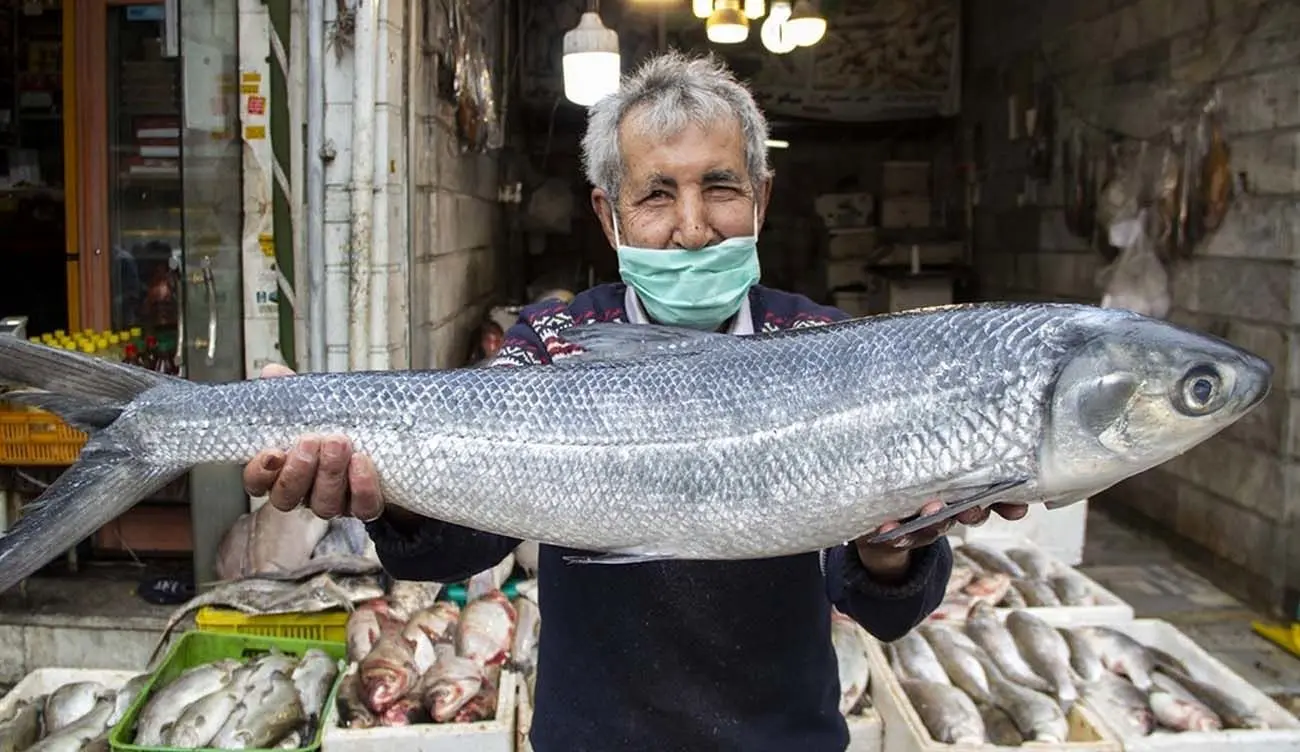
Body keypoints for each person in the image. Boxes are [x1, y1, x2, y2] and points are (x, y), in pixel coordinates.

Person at [243, 50, 1028, 752]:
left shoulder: (825, 346)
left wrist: (893, 548)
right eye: (656, 195)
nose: (692, 228)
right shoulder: (555, 343)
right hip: (594, 736)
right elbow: (465, 546)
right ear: (607, 215)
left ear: (761, 196)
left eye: (719, 187)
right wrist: (393, 501)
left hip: (781, 736)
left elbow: (887, 611)